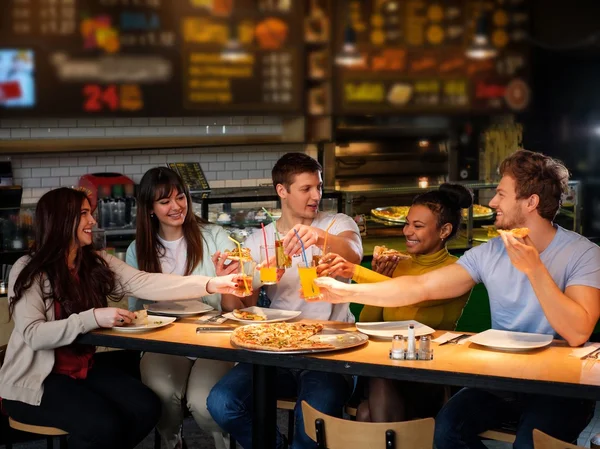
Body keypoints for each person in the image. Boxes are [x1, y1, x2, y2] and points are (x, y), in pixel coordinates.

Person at [311, 150, 600, 449]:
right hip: (500, 381)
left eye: (501, 194)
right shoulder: (490, 252)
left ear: (531, 202)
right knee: (446, 431)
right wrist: (345, 290)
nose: (492, 202)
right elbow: (419, 287)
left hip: (560, 388)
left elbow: (577, 332)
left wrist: (535, 269)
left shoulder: (583, 254)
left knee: (528, 445)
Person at [0, 187, 241, 449]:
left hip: (81, 371)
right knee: (104, 426)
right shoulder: (29, 269)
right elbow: (35, 335)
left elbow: (146, 282)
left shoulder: (94, 262)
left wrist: (212, 284)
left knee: (147, 407)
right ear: (60, 220)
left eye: (90, 213)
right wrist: (92, 317)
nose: (93, 221)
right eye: (83, 214)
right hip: (36, 381)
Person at [207, 152, 363, 449]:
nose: (316, 195)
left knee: (309, 433)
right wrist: (227, 281)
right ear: (282, 191)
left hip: (331, 353)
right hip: (275, 350)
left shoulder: (336, 223)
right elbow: (236, 308)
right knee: (222, 403)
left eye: (318, 187)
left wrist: (316, 236)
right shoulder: (258, 241)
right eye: (306, 189)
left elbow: (354, 251)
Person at [317, 183, 473, 423]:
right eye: (407, 223)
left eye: (418, 226)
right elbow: (369, 322)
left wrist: (355, 271)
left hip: (427, 371)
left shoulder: (455, 270)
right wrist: (385, 279)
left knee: (369, 406)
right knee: (372, 395)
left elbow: (415, 295)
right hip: (386, 367)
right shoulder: (397, 264)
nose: (407, 231)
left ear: (444, 231)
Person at [126, 167, 238, 449]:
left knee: (204, 402)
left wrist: (230, 280)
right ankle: (172, 442)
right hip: (163, 343)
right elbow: (137, 314)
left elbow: (235, 305)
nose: (176, 207)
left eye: (180, 197)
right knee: (163, 393)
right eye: (165, 202)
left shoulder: (215, 237)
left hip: (212, 339)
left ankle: (221, 443)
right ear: (150, 209)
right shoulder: (137, 249)